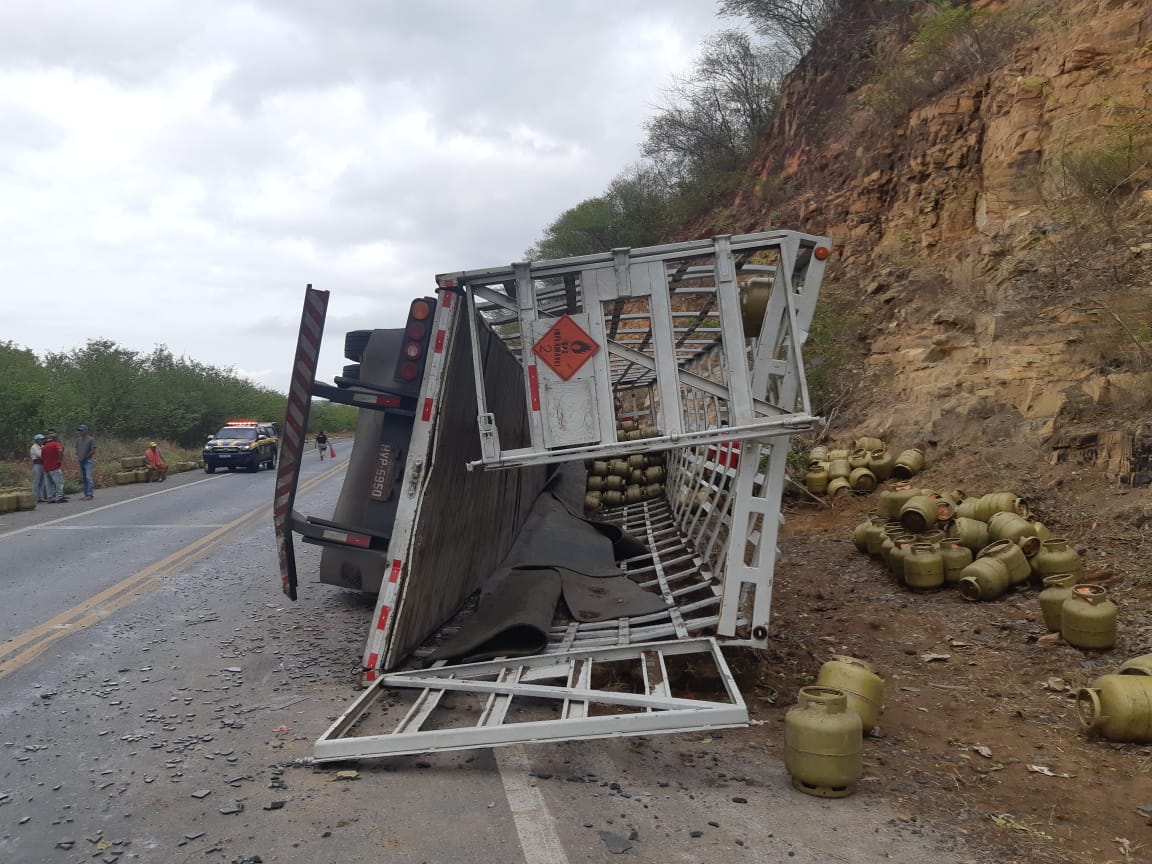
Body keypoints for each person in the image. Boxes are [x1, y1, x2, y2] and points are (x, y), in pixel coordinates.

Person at [41, 429, 68, 503]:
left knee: (48, 484)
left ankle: (50, 497)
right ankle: (59, 497)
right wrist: (60, 459)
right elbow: (60, 450)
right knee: (59, 482)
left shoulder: (44, 447)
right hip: (54, 466)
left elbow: (42, 458)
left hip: (46, 467)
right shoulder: (56, 444)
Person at [75, 423, 97, 500]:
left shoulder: (91, 439)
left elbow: (93, 450)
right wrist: (78, 455)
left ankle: (90, 494)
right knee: (84, 478)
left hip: (88, 460)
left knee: (88, 477)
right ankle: (86, 494)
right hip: (81, 460)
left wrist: (86, 456)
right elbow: (77, 449)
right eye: (79, 431)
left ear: (86, 431)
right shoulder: (78, 440)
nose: (80, 432)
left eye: (82, 430)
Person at [30, 433, 48, 502]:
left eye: (43, 439)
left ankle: (41, 497)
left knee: (42, 482)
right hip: (37, 465)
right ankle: (35, 497)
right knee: (36, 482)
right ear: (37, 440)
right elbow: (41, 455)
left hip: (42, 465)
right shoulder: (34, 447)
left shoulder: (42, 446)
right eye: (41, 439)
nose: (43, 440)